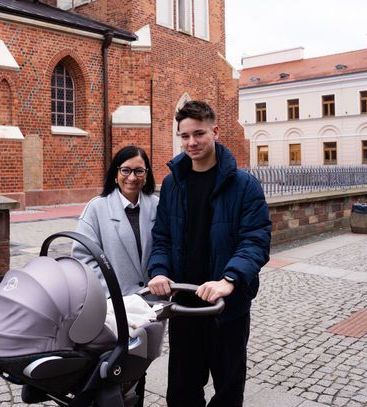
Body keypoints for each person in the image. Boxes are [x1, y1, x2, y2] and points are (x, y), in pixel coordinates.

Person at [147, 100, 271, 407]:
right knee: (182, 390)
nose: (191, 142)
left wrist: (229, 280)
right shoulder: (173, 184)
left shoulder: (244, 185)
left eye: (199, 133)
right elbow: (162, 236)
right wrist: (159, 270)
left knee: (228, 389)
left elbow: (255, 240)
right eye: (185, 136)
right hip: (185, 306)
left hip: (226, 307)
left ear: (215, 132)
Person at [72, 145, 158, 407]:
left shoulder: (156, 205)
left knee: (140, 365)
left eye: (139, 171)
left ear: (147, 174)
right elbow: (83, 256)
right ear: (115, 173)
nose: (132, 177)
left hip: (149, 304)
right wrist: (111, 294)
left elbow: (166, 247)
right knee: (112, 367)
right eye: (126, 170)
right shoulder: (97, 208)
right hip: (113, 306)